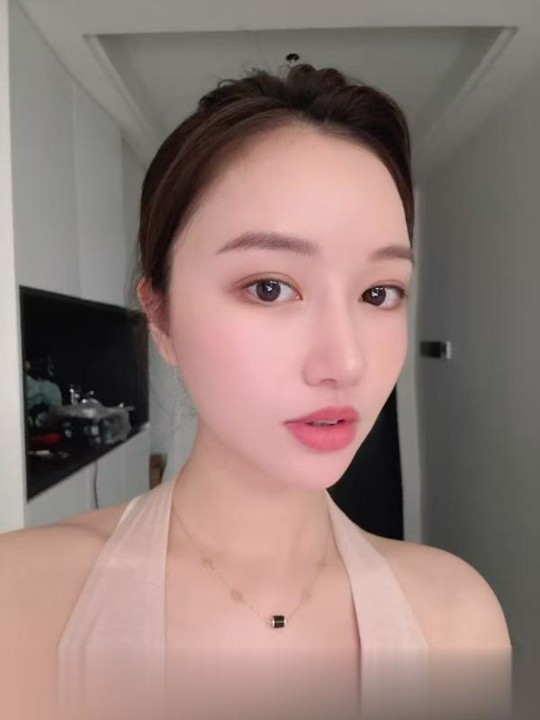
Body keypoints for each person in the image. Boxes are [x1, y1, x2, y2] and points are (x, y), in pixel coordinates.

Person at [0, 64, 511, 720]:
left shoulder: (458, 621)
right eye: (270, 288)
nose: (346, 362)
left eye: (379, 292)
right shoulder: (21, 601)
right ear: (161, 316)